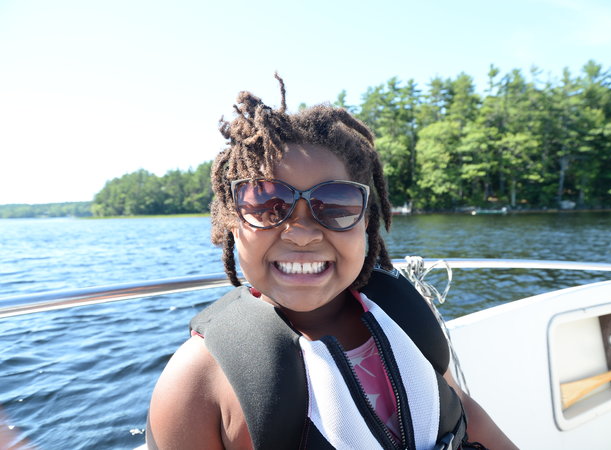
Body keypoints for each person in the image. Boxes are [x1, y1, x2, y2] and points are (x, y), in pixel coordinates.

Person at [146, 75, 517, 450]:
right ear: (232, 222)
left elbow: (465, 414)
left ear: (365, 222)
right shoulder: (195, 383)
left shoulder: (403, 315)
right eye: (268, 205)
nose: (302, 234)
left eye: (336, 205)